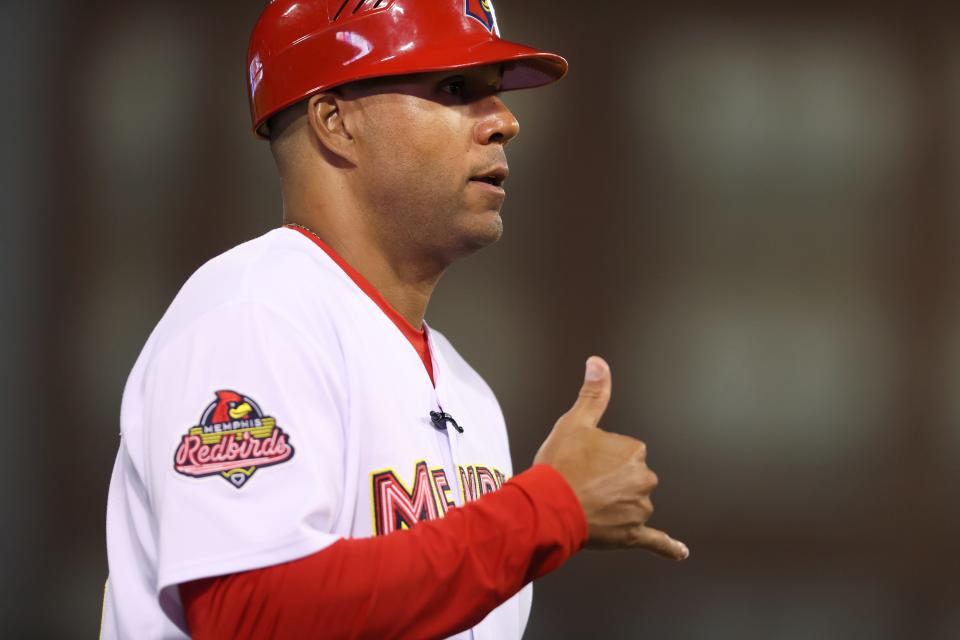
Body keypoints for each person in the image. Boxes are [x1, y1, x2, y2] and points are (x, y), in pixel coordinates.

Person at [100, 1, 689, 638]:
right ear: (336, 121)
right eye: (456, 88)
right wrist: (546, 513)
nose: (506, 122)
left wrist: (539, 514)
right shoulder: (256, 311)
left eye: (494, 93)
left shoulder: (468, 393)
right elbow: (248, 612)